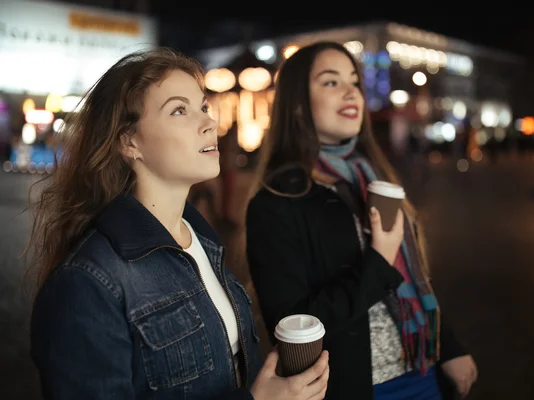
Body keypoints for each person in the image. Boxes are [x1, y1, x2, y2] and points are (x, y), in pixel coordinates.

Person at [27, 48, 329, 400]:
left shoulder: (202, 240)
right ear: (129, 142)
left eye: (203, 107)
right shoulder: (88, 282)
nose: (209, 122)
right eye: (179, 110)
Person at [245, 41, 477, 400]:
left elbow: (415, 280)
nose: (351, 90)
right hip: (358, 387)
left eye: (354, 81)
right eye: (331, 81)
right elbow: (292, 322)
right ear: (296, 105)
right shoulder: (278, 201)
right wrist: (377, 261)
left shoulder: (373, 178)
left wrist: (449, 347)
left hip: (423, 372)